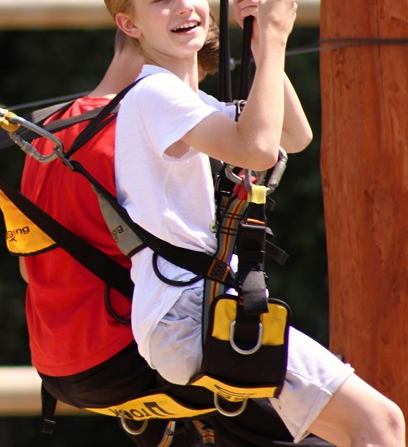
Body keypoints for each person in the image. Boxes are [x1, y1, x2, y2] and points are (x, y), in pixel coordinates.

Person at [101, 0, 406, 445]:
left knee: (346, 433)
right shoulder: (154, 94)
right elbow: (259, 150)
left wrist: (264, 47)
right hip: (191, 310)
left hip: (191, 312)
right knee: (381, 424)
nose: (184, 6)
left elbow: (293, 136)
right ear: (129, 25)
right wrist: (278, 41)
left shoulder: (190, 103)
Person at [19, 27, 334, 446]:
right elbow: (269, 146)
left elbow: (29, 268)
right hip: (134, 347)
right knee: (330, 427)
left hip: (57, 363)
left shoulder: (47, 132)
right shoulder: (142, 126)